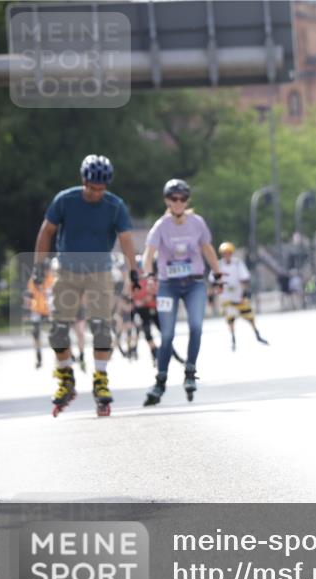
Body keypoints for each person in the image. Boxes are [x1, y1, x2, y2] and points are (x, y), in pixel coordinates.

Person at [32, 154, 139, 417]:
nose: (96, 193)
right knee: (58, 330)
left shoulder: (115, 206)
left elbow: (126, 239)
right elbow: (47, 231)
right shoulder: (65, 200)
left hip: (100, 272)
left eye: (101, 189)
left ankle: (100, 380)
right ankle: (66, 377)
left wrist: (134, 271)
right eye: (92, 188)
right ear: (84, 181)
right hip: (66, 270)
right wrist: (39, 266)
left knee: (102, 326)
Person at [142, 179, 221, 405]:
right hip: (168, 286)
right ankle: (160, 380)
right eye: (174, 199)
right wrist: (148, 275)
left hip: (194, 283)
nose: (178, 203)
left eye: (183, 199)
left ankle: (190, 371)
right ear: (167, 201)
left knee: (196, 326)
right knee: (167, 335)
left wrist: (218, 274)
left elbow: (207, 249)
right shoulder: (161, 226)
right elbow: (149, 253)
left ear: (187, 201)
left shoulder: (197, 223)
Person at [215, 241, 269, 350]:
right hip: (226, 297)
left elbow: (244, 278)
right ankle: (233, 339)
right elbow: (214, 280)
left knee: (250, 316)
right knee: (230, 318)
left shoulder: (237, 263)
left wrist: (244, 291)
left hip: (238, 296)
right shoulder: (218, 265)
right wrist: (213, 295)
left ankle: (257, 334)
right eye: (225, 253)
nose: (227, 255)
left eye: (229, 253)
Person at [24, 258, 56, 369]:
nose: (47, 271)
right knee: (36, 333)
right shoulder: (34, 280)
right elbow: (28, 295)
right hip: (37, 309)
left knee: (57, 332)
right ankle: (38, 355)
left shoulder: (52, 279)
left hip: (50, 310)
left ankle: (62, 355)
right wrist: (27, 310)